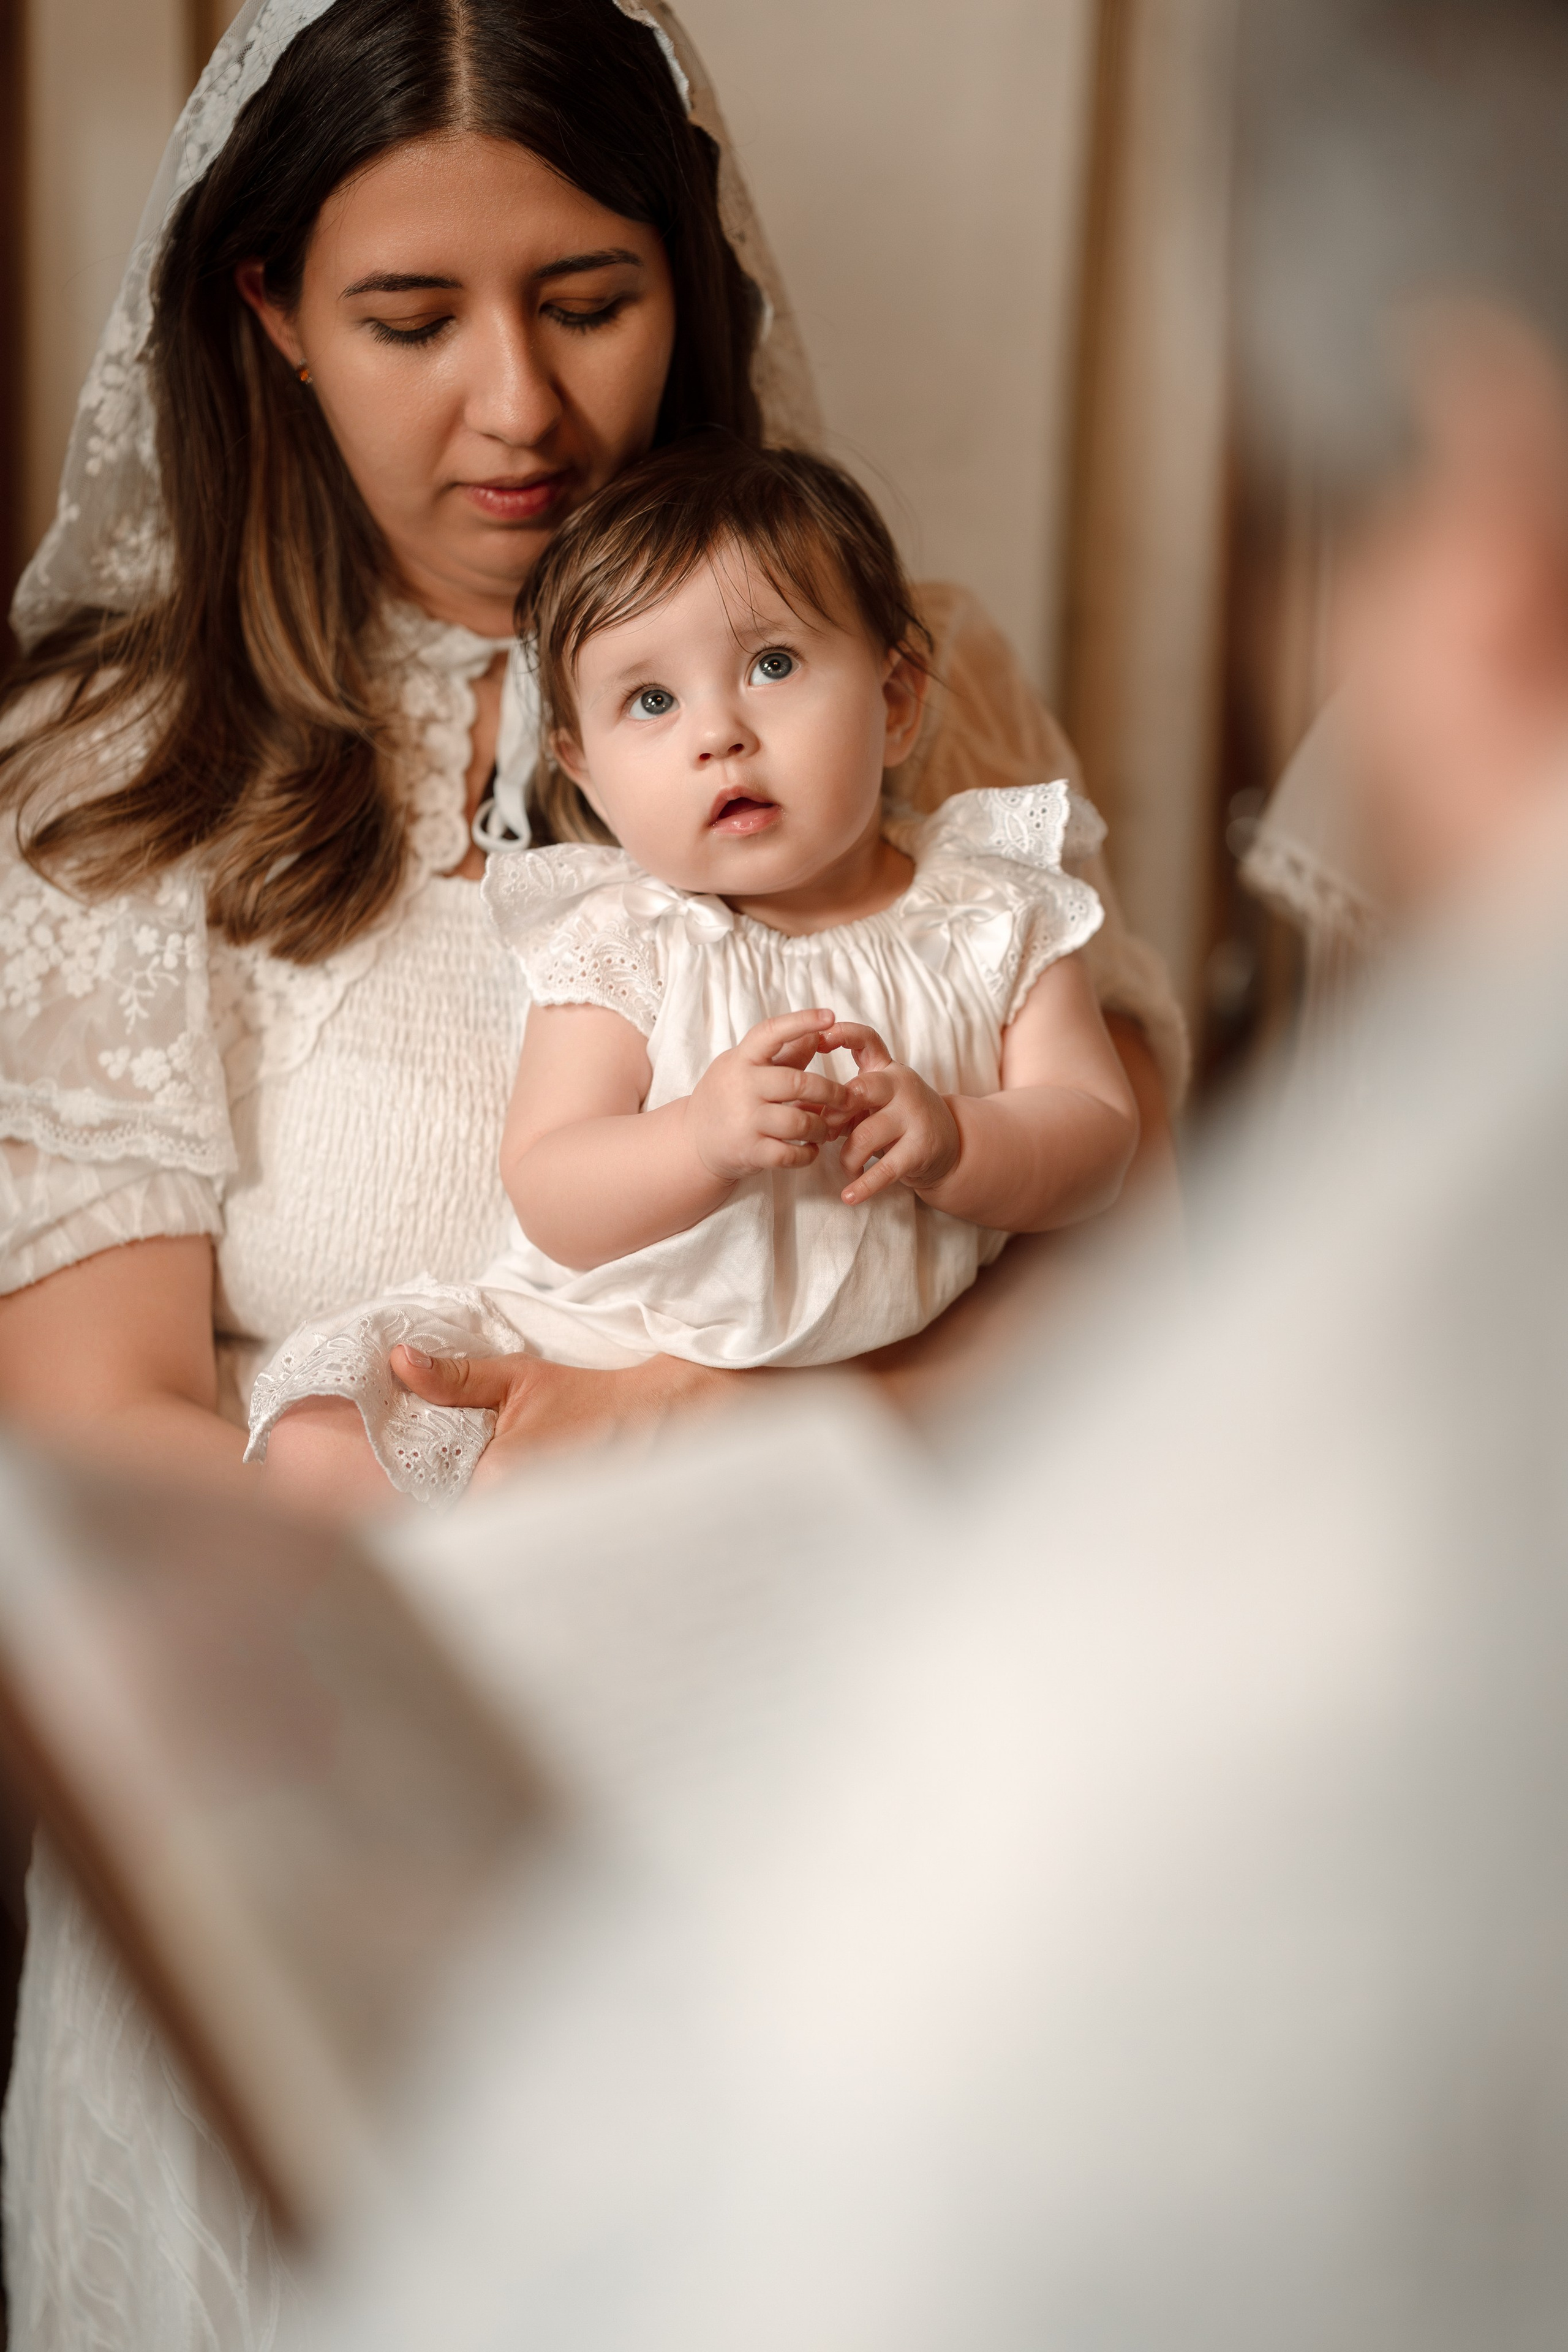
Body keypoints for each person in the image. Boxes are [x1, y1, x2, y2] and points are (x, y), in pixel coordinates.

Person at [0, 0, 1184, 2341]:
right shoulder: (120, 773)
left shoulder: (911, 692)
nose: (519, 409)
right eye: (411, 320)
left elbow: (1113, 1272)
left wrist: (723, 1441)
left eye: (588, 299)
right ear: (269, 318)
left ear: (693, 281)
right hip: (329, 1839)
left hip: (832, 1821)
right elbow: (91, 1425)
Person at [249, 441, 1137, 1504]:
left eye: (772, 666)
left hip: (883, 1385)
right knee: (324, 1438)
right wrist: (698, 1141)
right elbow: (550, 1186)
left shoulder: (991, 911)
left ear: (896, 700)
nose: (720, 735)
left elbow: (1099, 1134)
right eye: (652, 702)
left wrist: (959, 1139)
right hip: (597, 1345)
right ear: (586, 768)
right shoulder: (627, 938)